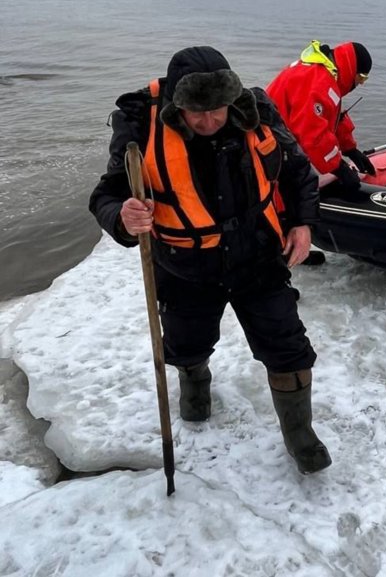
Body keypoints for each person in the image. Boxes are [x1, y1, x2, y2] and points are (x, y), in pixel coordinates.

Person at [89, 46, 331, 475]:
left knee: (288, 345)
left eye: (217, 110)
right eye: (196, 113)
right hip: (185, 266)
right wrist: (124, 216)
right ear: (175, 107)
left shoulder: (255, 113)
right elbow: (106, 195)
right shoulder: (140, 127)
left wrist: (303, 223)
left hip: (256, 256)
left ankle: (300, 434)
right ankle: (194, 379)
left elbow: (298, 172)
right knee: (185, 342)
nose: (208, 122)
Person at [266, 40, 375, 193]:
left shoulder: (325, 73)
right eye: (362, 77)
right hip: (273, 147)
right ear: (352, 69)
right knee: (301, 194)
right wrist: (339, 168)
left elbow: (331, 114)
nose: (361, 83)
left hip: (279, 139)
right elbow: (312, 133)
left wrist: (350, 149)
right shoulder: (318, 81)